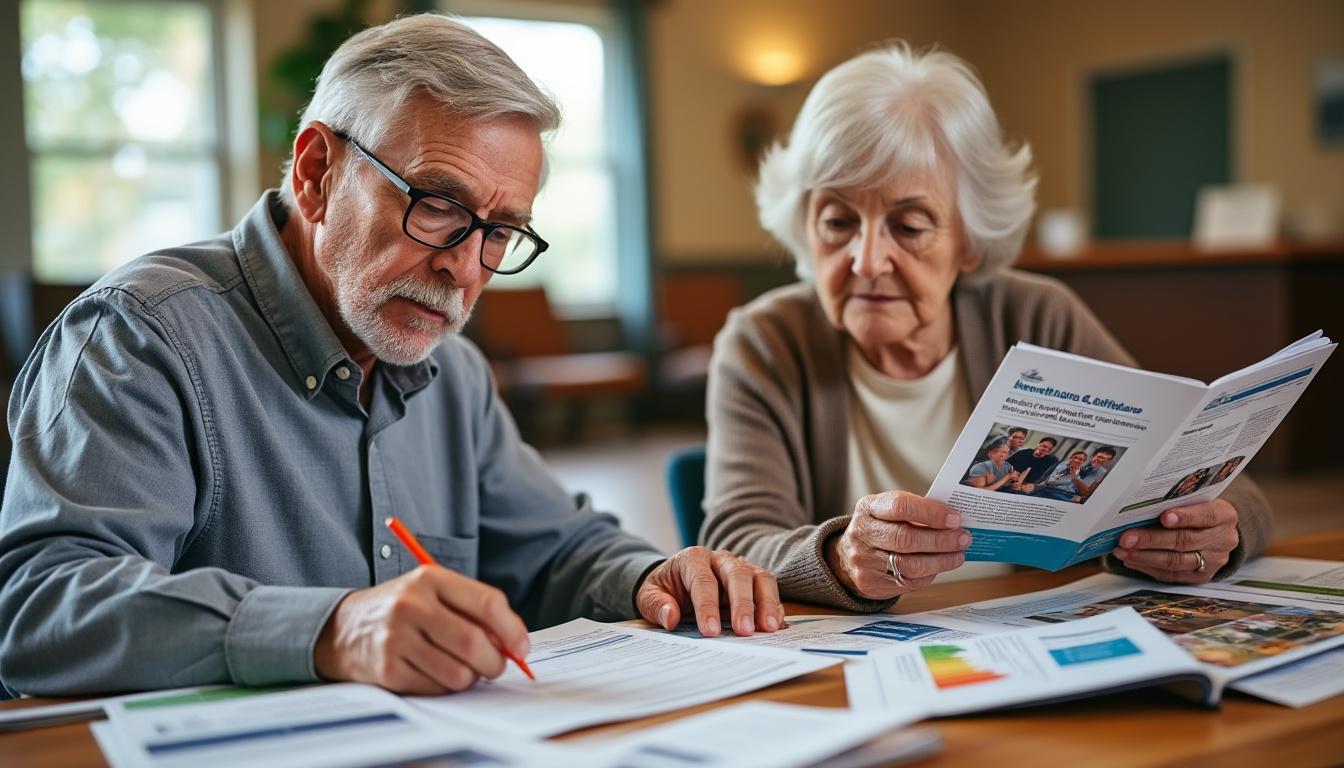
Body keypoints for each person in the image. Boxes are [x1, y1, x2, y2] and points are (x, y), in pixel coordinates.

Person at [0, 15, 783, 698]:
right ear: (316, 174)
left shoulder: (455, 373)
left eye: (501, 232)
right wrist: (330, 629)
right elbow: (39, 609)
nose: (467, 268)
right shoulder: (139, 338)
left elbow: (557, 552)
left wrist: (651, 577)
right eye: (439, 205)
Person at [701, 42, 1272, 612]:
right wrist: (839, 559)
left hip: (1033, 630)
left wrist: (1218, 529)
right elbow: (734, 541)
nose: (867, 260)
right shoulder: (763, 344)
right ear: (804, 226)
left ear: (969, 241)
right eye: (837, 221)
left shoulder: (1036, 316)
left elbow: (1205, 477)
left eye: (909, 225)